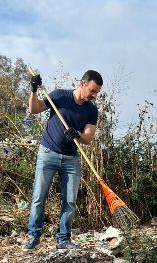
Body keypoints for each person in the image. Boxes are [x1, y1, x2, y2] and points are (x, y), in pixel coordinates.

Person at [24, 69, 102, 250]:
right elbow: (34, 109)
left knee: (69, 200)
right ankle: (33, 237)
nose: (94, 95)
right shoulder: (59, 96)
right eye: (92, 91)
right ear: (82, 83)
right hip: (48, 153)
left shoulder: (92, 110)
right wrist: (34, 90)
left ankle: (63, 239)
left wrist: (77, 134)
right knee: (38, 197)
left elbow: (88, 139)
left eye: (97, 92)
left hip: (71, 159)